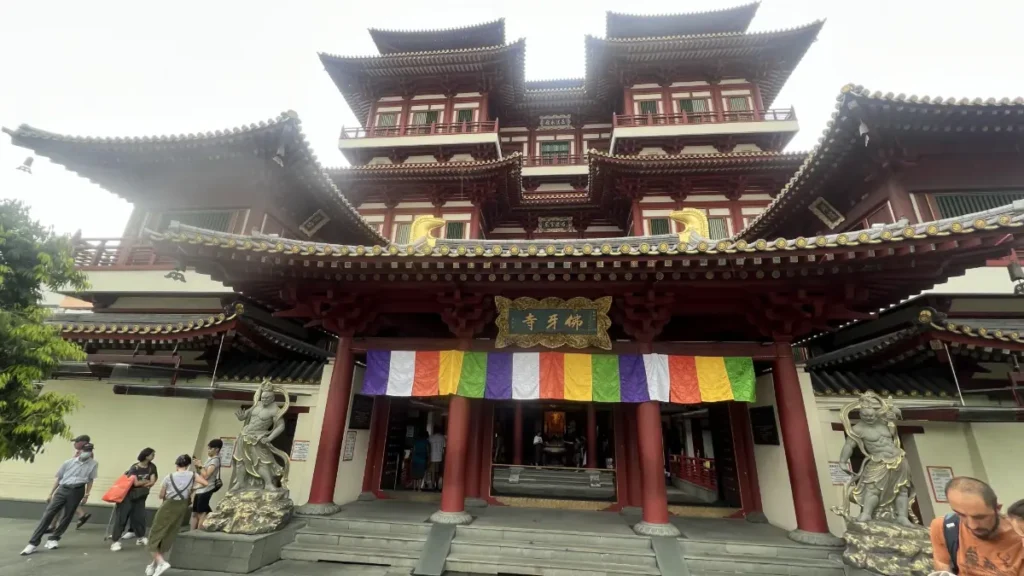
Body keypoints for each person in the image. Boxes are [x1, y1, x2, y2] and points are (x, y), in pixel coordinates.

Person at [930, 477, 1023, 575]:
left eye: (980, 517)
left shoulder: (1020, 534)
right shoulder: (944, 527)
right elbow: (943, 567)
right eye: (961, 514)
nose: (972, 526)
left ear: (997, 509)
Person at [21, 442, 98, 555]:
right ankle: (33, 543)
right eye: (85, 450)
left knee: (67, 515)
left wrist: (87, 494)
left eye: (89, 451)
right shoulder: (68, 463)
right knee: (49, 513)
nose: (87, 453)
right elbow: (59, 478)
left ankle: (54, 538)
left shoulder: (93, 464)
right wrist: (51, 493)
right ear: (79, 451)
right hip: (63, 489)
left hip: (78, 490)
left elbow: (91, 480)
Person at [146, 454, 209, 576]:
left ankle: (161, 562)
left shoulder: (169, 477)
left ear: (176, 465)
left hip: (168, 506)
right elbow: (205, 483)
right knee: (168, 534)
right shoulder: (192, 475)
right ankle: (154, 564)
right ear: (188, 465)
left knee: (155, 535)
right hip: (182, 507)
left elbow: (161, 495)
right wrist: (192, 488)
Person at [110, 447, 158, 551]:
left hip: (140, 496)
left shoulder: (152, 467)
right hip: (127, 496)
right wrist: (146, 481)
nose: (154, 457)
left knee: (139, 517)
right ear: (146, 455)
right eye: (152, 455)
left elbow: (153, 481)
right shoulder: (134, 468)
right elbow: (135, 483)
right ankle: (115, 541)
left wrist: (143, 482)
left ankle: (140, 537)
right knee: (121, 518)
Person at [45, 434, 92, 534]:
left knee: (60, 505)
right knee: (59, 505)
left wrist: (86, 494)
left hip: (72, 486)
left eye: (76, 442)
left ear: (83, 443)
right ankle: (53, 525)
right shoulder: (79, 453)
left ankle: (54, 528)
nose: (74, 444)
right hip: (66, 482)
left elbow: (87, 475)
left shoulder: (87, 454)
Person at [191, 439, 223, 530]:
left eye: (210, 449)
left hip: (207, 489)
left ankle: (199, 531)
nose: (208, 450)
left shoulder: (215, 460)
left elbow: (206, 475)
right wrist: (198, 466)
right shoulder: (210, 459)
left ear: (216, 449)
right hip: (200, 488)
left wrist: (201, 465)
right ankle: (192, 531)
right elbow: (201, 474)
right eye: (208, 448)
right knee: (195, 512)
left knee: (202, 513)